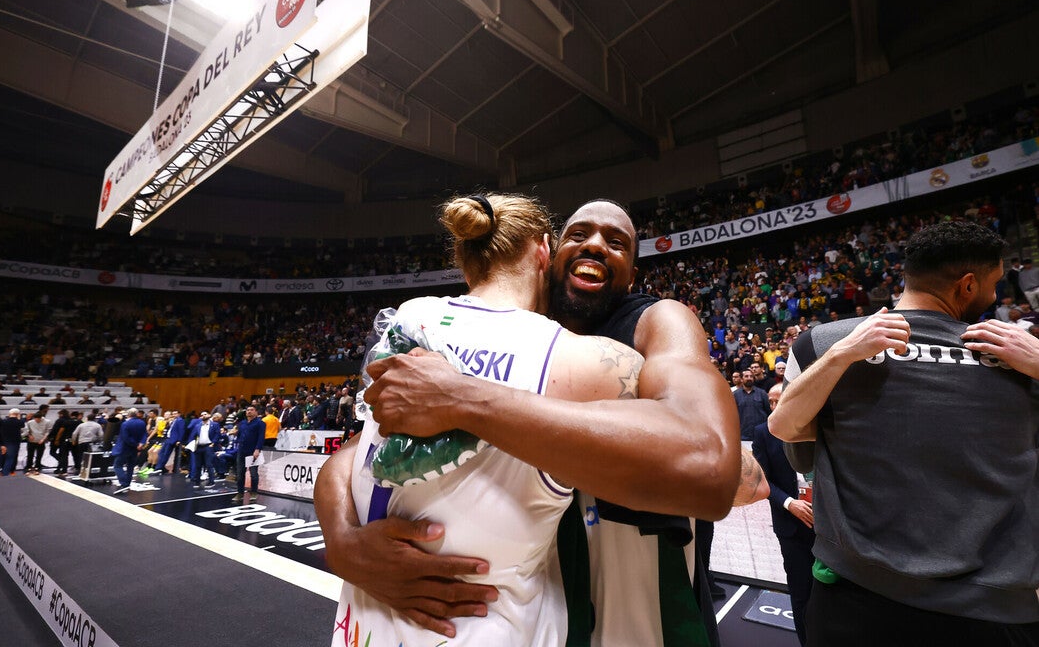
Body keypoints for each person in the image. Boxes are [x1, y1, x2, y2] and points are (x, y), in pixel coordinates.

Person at [316, 199, 753, 646]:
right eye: (579, 235)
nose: (597, 245)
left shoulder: (656, 320)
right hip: (545, 606)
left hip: (644, 613)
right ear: (550, 255)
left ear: (632, 276)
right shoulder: (513, 334)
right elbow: (359, 450)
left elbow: (713, 464)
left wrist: (461, 397)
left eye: (617, 242)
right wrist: (343, 541)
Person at [769, 222, 1039, 645]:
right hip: (992, 608)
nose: (996, 296)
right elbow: (783, 426)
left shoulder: (820, 342)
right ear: (967, 286)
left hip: (856, 602)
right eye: (994, 284)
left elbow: (793, 439)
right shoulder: (1021, 353)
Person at [752, 383, 815, 645]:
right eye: (771, 401)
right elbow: (762, 481)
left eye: (781, 399)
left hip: (829, 526)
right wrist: (790, 503)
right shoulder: (762, 433)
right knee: (801, 595)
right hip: (791, 528)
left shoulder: (817, 424)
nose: (775, 407)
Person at [111, 408, 148, 495]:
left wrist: (135, 444)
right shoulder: (142, 422)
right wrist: (141, 444)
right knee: (130, 466)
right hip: (135, 449)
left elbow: (126, 438)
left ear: (128, 414)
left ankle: (123, 483)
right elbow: (144, 434)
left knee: (117, 465)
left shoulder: (125, 424)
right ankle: (127, 483)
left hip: (125, 448)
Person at [232, 404, 265, 503]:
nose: (249, 412)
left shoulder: (260, 423)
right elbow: (240, 435)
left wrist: (257, 449)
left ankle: (254, 492)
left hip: (253, 451)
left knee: (253, 474)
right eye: (247, 410)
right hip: (242, 450)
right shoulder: (242, 423)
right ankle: (240, 493)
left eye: (251, 410)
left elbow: (261, 437)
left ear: (256, 412)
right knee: (240, 473)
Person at [185, 411, 221, 487]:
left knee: (209, 464)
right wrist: (190, 444)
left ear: (209, 415)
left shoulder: (214, 424)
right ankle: (197, 481)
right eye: (201, 415)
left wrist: (213, 443)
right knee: (198, 465)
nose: (203, 416)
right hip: (199, 446)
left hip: (208, 446)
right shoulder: (198, 425)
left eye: (205, 414)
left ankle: (211, 481)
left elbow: (217, 434)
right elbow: (193, 435)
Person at [0, 408, 24, 476]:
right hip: (13, 443)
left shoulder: (3, 421)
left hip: (3, 442)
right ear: (17, 414)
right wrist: (18, 418)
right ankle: (5, 474)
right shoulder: (19, 422)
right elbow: (22, 425)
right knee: (9, 459)